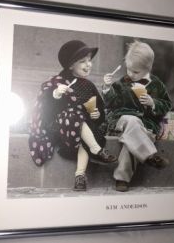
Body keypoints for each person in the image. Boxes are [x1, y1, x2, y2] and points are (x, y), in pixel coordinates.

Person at [29, 40, 117, 191]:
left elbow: (100, 110)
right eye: (83, 61)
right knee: (73, 114)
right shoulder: (58, 82)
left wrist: (97, 114)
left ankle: (80, 177)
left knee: (84, 137)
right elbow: (47, 108)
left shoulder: (89, 86)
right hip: (61, 130)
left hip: (82, 133)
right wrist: (56, 94)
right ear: (70, 66)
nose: (88, 64)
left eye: (89, 60)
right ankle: (97, 149)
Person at [103, 40, 172, 192]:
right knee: (133, 121)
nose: (130, 74)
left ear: (148, 68)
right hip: (122, 121)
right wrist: (107, 88)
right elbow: (111, 103)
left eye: (135, 72)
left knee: (131, 143)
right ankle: (150, 155)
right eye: (128, 70)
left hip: (146, 126)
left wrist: (153, 103)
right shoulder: (122, 82)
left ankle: (121, 180)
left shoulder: (156, 84)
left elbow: (167, 104)